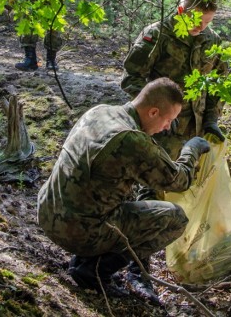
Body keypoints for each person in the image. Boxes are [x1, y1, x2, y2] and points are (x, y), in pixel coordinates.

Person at [37, 78, 210, 303]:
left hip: (47, 211)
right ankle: (94, 271)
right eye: (168, 120)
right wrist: (191, 149)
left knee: (120, 199)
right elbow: (178, 180)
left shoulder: (100, 112)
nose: (168, 127)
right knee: (175, 219)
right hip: (76, 231)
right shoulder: (131, 140)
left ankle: (86, 260)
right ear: (153, 112)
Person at [121, 0, 228, 159]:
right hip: (160, 130)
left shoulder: (212, 40)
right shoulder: (157, 35)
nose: (201, 27)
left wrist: (211, 118)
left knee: (189, 181)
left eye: (207, 22)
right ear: (180, 10)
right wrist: (159, 113)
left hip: (196, 129)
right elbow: (131, 78)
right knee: (155, 181)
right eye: (196, 20)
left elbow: (219, 81)